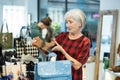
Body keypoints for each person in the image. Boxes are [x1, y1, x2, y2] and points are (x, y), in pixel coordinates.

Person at [51, 9, 90, 80]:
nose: (67, 25)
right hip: (58, 76)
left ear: (80, 23)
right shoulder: (62, 36)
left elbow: (77, 65)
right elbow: (48, 51)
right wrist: (40, 45)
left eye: (70, 22)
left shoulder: (85, 41)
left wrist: (62, 51)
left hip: (73, 77)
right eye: (66, 22)